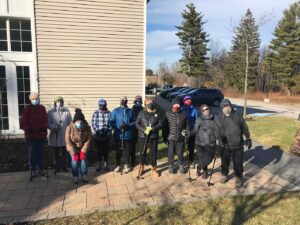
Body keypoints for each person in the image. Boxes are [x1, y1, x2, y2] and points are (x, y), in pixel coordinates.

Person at [215, 99, 252, 188]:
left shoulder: (238, 116)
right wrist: (220, 138)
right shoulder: (218, 118)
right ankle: (224, 175)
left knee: (238, 163)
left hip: (238, 144)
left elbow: (245, 128)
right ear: (221, 108)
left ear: (231, 106)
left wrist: (248, 138)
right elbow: (216, 130)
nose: (226, 108)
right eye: (224, 106)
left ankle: (239, 178)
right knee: (225, 162)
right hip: (225, 145)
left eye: (228, 106)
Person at [21, 92, 48, 176]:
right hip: (31, 135)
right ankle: (33, 168)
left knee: (40, 152)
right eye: (33, 99)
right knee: (32, 152)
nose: (35, 100)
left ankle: (40, 168)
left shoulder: (42, 108)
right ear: (30, 100)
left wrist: (44, 127)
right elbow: (23, 122)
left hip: (41, 134)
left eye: (36, 98)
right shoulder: (27, 109)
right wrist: (28, 129)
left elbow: (46, 119)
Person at [135, 98, 162, 177]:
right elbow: (137, 123)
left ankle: (154, 168)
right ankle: (141, 167)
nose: (150, 104)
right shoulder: (141, 113)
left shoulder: (157, 113)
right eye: (148, 103)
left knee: (153, 153)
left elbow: (160, 123)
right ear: (145, 104)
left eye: (151, 102)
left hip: (153, 136)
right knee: (142, 153)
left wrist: (153, 129)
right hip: (143, 136)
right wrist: (144, 130)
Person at [162, 98, 189, 174]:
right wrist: (164, 137)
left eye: (178, 105)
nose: (176, 107)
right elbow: (165, 127)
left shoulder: (184, 114)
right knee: (171, 154)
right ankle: (171, 166)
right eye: (175, 105)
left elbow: (187, 126)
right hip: (171, 138)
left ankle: (181, 165)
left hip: (180, 138)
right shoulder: (168, 113)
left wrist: (186, 137)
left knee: (180, 153)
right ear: (172, 105)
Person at [65, 108, 92, 184]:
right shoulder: (69, 128)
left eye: (81, 122)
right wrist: (73, 152)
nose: (79, 123)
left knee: (83, 161)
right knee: (75, 161)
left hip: (83, 146)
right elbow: (68, 141)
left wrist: (83, 151)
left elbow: (89, 139)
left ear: (83, 122)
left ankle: (84, 175)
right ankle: (75, 176)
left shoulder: (87, 127)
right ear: (74, 121)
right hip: (73, 147)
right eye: (77, 121)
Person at [192, 104, 218, 179]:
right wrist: (189, 133)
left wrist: (219, 138)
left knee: (208, 159)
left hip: (211, 143)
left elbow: (217, 130)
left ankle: (199, 167)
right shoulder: (199, 119)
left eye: (207, 109)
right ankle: (205, 172)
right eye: (203, 110)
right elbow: (195, 130)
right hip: (200, 143)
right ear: (202, 112)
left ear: (209, 109)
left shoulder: (215, 118)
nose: (206, 111)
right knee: (202, 159)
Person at [110, 96, 135, 173]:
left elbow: (135, 121)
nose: (124, 101)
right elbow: (111, 121)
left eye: (125, 100)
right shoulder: (115, 111)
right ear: (120, 101)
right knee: (118, 151)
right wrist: (118, 127)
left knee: (127, 151)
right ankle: (118, 165)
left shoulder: (131, 111)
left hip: (128, 135)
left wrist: (128, 125)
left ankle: (126, 164)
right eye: (122, 100)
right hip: (118, 134)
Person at [48, 96, 72, 173]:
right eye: (57, 102)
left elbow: (70, 123)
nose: (59, 103)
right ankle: (57, 167)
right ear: (55, 103)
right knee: (56, 153)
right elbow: (48, 123)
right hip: (55, 135)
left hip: (64, 136)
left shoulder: (66, 112)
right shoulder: (50, 112)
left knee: (64, 153)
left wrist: (69, 132)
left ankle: (64, 166)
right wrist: (53, 127)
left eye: (60, 102)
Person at [92, 98, 112, 172]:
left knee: (106, 151)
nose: (102, 106)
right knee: (99, 151)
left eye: (104, 105)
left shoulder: (109, 113)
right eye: (101, 105)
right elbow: (93, 124)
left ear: (106, 105)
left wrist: (109, 130)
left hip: (106, 135)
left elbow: (111, 123)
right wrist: (97, 131)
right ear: (98, 105)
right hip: (98, 135)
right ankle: (99, 164)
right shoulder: (96, 113)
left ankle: (106, 165)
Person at [182, 95, 198, 168]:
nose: (188, 100)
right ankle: (181, 161)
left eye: (189, 99)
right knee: (182, 146)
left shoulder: (194, 109)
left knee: (191, 146)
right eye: (187, 99)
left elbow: (196, 120)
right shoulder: (182, 109)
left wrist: (195, 130)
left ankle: (191, 161)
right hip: (183, 130)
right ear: (184, 101)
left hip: (191, 131)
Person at [131, 95, 144, 168]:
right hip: (134, 130)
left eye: (139, 101)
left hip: (141, 130)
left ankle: (142, 160)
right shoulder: (132, 109)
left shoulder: (143, 109)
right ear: (135, 101)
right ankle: (132, 161)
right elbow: (133, 120)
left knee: (142, 146)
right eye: (137, 101)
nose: (138, 102)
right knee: (133, 146)